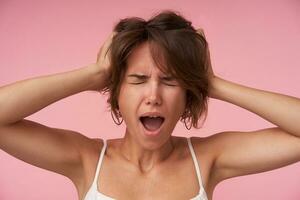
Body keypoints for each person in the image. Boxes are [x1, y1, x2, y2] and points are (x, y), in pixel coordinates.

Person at [0, 10, 299, 200]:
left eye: (169, 81)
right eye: (139, 79)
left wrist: (211, 83)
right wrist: (94, 74)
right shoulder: (87, 159)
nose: (154, 95)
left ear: (187, 97)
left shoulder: (209, 158)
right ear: (117, 93)